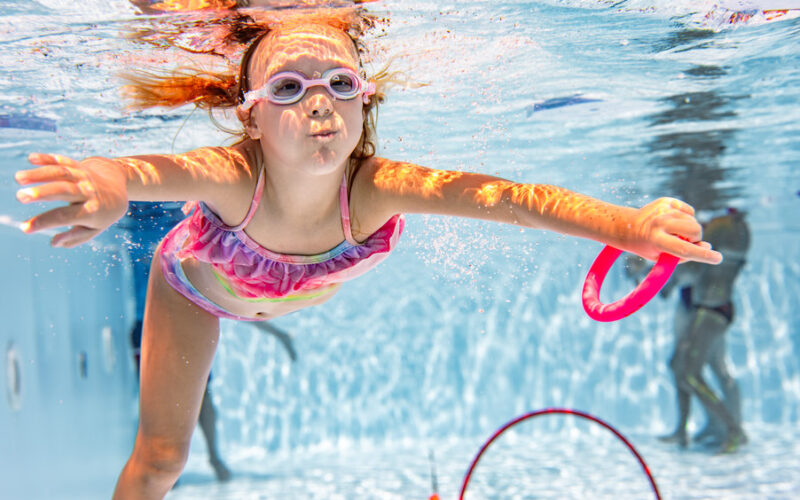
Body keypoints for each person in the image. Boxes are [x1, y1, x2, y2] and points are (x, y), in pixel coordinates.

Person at [14, 9, 722, 498]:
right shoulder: (237, 178)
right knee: (164, 458)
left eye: (341, 85)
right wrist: (105, 183)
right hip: (199, 292)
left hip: (279, 295)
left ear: (364, 100)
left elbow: (510, 199)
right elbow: (144, 174)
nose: (320, 106)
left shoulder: (376, 189)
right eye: (289, 88)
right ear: (250, 115)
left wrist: (625, 226)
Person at [118, 202, 298, 482]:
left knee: (200, 394)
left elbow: (222, 294)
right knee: (160, 398)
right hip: (150, 324)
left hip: (183, 318)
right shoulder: (172, 232)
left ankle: (209, 456)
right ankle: (158, 461)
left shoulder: (188, 237)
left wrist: (275, 332)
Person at [627, 210, 749, 453]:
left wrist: (643, 270)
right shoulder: (721, 245)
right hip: (707, 311)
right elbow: (673, 282)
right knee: (682, 367)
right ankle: (693, 430)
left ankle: (733, 429)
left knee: (692, 373)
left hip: (709, 313)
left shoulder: (713, 246)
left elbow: (669, 284)